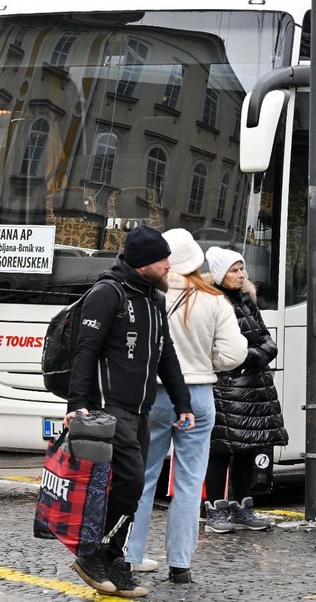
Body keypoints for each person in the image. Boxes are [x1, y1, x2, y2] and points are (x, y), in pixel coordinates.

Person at [65, 224, 194, 598]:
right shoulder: (108, 293)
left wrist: (182, 402)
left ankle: (113, 559)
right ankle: (93, 554)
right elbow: (85, 352)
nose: (169, 265)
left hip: (141, 410)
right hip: (109, 408)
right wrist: (77, 405)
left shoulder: (153, 297)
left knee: (130, 489)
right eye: (162, 259)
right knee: (133, 481)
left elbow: (166, 354)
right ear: (142, 263)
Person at [124, 230, 247, 586]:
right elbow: (234, 354)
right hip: (199, 394)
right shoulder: (214, 299)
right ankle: (180, 564)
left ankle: (131, 555)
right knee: (190, 482)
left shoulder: (148, 295)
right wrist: (208, 364)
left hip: (155, 394)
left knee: (143, 477)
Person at [202, 247, 287, 533]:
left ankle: (241, 508)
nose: (241, 275)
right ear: (219, 274)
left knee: (248, 448)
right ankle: (214, 509)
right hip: (226, 388)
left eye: (242, 269)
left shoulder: (247, 300)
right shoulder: (210, 300)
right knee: (221, 450)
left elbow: (268, 341)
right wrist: (250, 357)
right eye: (234, 270)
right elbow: (216, 349)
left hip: (253, 386)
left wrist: (253, 356)